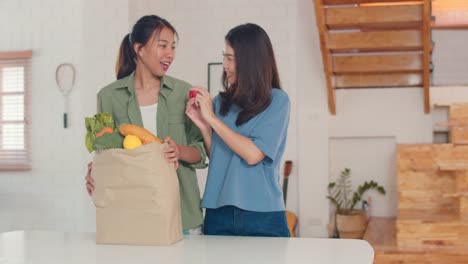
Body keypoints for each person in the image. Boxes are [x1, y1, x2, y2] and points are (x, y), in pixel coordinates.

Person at [85, 15, 207, 235]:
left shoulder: (183, 93)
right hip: (132, 217)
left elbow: (201, 152)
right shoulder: (109, 96)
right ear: (139, 49)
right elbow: (106, 152)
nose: (170, 54)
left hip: (183, 218)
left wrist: (178, 151)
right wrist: (96, 172)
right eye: (162, 46)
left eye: (173, 47)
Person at [185, 23, 290, 237]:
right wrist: (205, 127)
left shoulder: (277, 101)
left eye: (231, 59)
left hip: (262, 215)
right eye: (225, 56)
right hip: (218, 212)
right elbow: (219, 159)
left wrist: (212, 120)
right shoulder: (220, 103)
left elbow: (253, 155)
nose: (225, 64)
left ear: (250, 62)